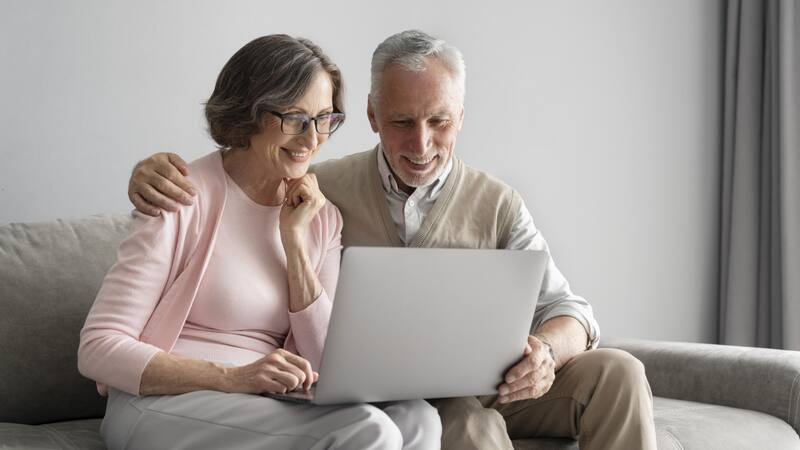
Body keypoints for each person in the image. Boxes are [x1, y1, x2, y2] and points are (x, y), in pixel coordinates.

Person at [127, 30, 657, 449]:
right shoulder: (317, 190)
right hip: (411, 397)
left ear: (461, 118)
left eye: (439, 121)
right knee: (464, 425)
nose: (422, 143)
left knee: (618, 372)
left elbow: (569, 307)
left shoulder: (499, 202)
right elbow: (241, 178)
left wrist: (545, 350)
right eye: (403, 121)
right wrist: (149, 172)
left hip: (497, 382)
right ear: (372, 117)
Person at [78, 34, 441, 450]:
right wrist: (234, 378)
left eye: (325, 118)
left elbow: (328, 364)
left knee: (418, 418)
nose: (312, 138)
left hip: (264, 400)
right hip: (164, 402)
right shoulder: (178, 195)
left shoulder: (321, 217)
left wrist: (296, 243)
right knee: (368, 431)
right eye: (294, 118)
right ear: (249, 112)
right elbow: (98, 348)